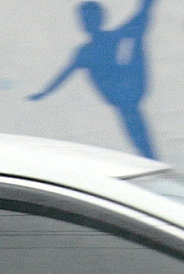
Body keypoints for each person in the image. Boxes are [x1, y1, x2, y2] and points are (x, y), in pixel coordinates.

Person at [31, 0, 158, 158]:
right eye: (84, 19)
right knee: (139, 136)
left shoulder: (106, 41)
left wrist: (145, 9)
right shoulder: (87, 51)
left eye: (87, 19)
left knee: (137, 36)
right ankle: (150, 157)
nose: (85, 22)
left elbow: (135, 24)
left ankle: (150, 157)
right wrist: (43, 93)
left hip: (129, 89)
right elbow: (64, 75)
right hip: (123, 94)